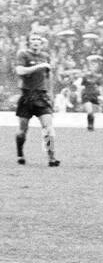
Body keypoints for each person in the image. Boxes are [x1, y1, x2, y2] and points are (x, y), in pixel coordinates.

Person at [13, 29, 61, 167]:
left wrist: (51, 94)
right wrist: (39, 66)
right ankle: (20, 153)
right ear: (29, 42)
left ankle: (52, 157)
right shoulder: (23, 54)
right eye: (33, 39)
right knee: (22, 131)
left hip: (41, 97)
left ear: (42, 43)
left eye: (38, 40)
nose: (35, 42)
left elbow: (48, 77)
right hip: (27, 96)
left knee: (48, 128)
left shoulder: (45, 56)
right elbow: (20, 71)